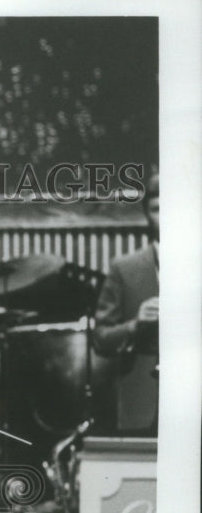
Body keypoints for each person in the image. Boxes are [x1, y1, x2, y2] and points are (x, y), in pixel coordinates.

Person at [93, 171, 159, 432]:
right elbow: (100, 338)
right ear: (147, 215)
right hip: (140, 403)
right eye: (157, 209)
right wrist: (135, 325)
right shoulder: (125, 268)